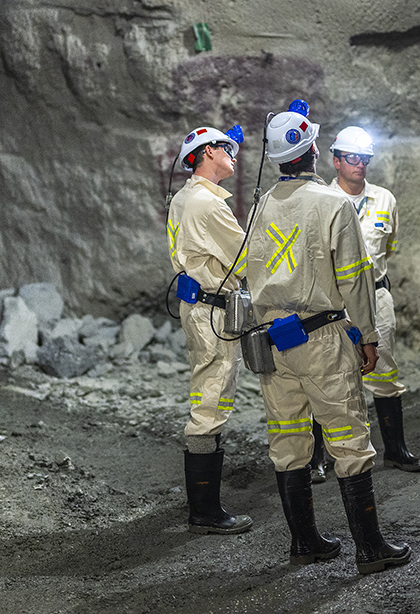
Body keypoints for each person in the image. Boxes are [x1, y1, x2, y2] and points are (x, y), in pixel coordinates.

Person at [244, 100, 411, 575]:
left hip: (273, 341)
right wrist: (367, 335)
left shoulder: (259, 208)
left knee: (289, 441)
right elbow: (356, 279)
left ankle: (305, 542)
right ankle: (370, 547)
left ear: (278, 157)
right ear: (313, 150)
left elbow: (248, 275)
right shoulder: (334, 204)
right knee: (348, 439)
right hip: (320, 336)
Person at [305, 126, 420, 483]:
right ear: (336, 160)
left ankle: (396, 449)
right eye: (353, 158)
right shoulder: (319, 199)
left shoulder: (384, 199)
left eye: (366, 158)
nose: (361, 164)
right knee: (327, 375)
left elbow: (388, 248)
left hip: (375, 296)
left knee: (385, 372)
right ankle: (318, 457)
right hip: (333, 304)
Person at [167, 125, 252, 535]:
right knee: (211, 402)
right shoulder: (208, 205)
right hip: (213, 314)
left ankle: (205, 506)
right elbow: (248, 259)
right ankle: (205, 511)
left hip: (199, 307)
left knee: (208, 396)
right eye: (226, 148)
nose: (232, 154)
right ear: (206, 153)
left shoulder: (186, 198)